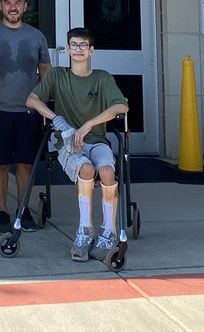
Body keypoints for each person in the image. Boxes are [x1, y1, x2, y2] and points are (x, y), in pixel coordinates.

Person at [25, 27, 128, 262]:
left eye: (83, 45)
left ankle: (109, 232)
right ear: (68, 49)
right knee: (86, 170)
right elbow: (32, 99)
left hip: (97, 140)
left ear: (91, 50)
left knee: (107, 171)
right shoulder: (57, 75)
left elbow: (121, 106)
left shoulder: (102, 77)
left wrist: (90, 123)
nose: (78, 49)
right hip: (68, 142)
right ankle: (84, 231)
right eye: (74, 45)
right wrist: (57, 119)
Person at [0, 0, 51, 234]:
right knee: (0, 164)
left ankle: (23, 210)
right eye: (7, 2)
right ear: (0, 6)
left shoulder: (37, 36)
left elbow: (45, 72)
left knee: (25, 165)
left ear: (25, 6)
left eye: (17, 2)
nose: (12, 7)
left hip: (28, 111)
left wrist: (45, 106)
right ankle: (2, 212)